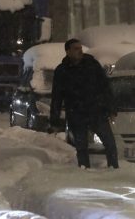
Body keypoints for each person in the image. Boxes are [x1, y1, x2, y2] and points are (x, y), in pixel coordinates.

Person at [49, 38, 118, 169]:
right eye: (76, 49)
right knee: (81, 147)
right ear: (67, 51)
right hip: (77, 114)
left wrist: (111, 109)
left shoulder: (92, 65)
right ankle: (84, 170)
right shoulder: (62, 70)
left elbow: (105, 87)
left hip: (97, 111)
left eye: (80, 48)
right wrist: (54, 120)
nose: (79, 51)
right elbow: (57, 96)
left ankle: (113, 168)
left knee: (110, 144)